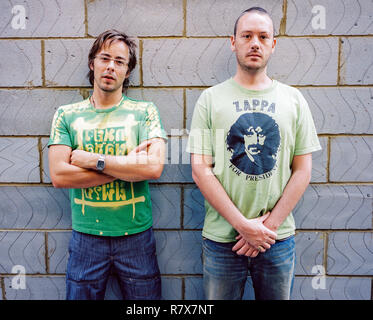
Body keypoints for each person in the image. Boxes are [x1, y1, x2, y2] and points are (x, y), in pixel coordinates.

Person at [186, 7, 321, 300]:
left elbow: (303, 170)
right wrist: (243, 226)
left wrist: (266, 228)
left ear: (273, 44)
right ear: (233, 42)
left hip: (277, 239)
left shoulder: (294, 100)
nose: (255, 43)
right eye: (246, 35)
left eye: (263, 36)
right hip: (222, 240)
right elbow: (200, 169)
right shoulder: (208, 100)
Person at [48, 29, 167, 300]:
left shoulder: (145, 112)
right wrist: (127, 168)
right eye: (104, 58)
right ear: (92, 63)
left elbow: (153, 168)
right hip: (86, 238)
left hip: (136, 236)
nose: (111, 66)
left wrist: (94, 161)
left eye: (120, 61)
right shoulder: (67, 115)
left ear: (127, 71)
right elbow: (59, 175)